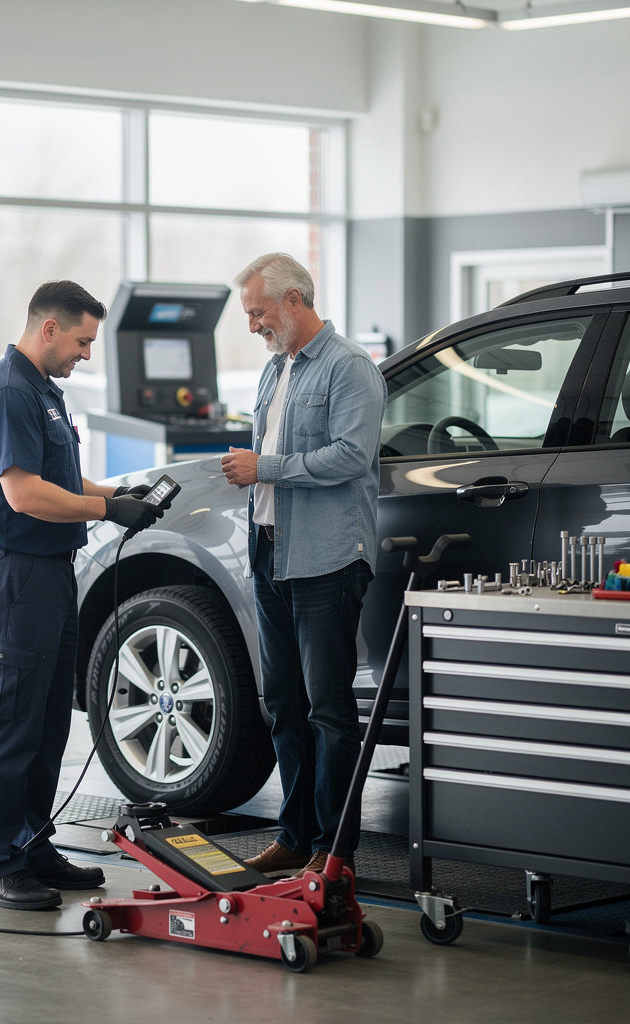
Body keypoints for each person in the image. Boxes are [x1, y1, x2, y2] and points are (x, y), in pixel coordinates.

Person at [0, 279, 161, 910]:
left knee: (47, 722)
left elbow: (60, 478)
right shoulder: (6, 393)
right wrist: (106, 509)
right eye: (82, 340)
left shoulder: (42, 392)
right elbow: (24, 494)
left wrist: (124, 497)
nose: (86, 354)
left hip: (49, 572)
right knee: (8, 720)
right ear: (49, 328)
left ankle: (31, 844)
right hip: (14, 576)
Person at [220, 253, 387, 880]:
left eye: (260, 312)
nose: (255, 325)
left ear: (295, 301)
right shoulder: (273, 370)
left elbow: (349, 455)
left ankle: (334, 848)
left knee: (329, 710)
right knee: (282, 703)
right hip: (272, 552)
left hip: (327, 560)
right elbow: (272, 450)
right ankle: (294, 836)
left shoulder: (350, 369)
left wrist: (264, 467)